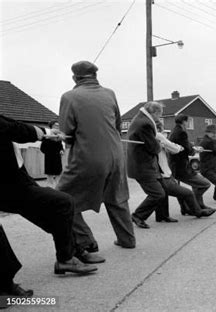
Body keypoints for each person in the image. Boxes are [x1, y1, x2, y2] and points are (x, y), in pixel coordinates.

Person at [0, 115, 97, 285]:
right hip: (8, 184)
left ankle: (71, 253)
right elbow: (11, 128)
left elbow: (10, 124)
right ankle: (66, 257)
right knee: (62, 203)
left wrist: (47, 133)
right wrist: (45, 133)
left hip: (16, 179)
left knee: (54, 215)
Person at [57, 61, 135, 264]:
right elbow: (117, 124)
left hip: (89, 156)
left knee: (61, 199)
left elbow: (66, 131)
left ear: (75, 78)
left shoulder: (69, 97)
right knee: (117, 197)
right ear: (95, 75)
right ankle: (127, 239)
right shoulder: (110, 93)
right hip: (117, 154)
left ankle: (86, 241)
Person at [169, 114, 214, 213]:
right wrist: (195, 151)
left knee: (194, 185)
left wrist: (194, 148)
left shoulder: (174, 131)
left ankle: (196, 205)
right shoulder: (181, 132)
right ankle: (194, 206)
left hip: (175, 165)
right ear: (184, 121)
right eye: (188, 121)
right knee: (205, 184)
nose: (188, 123)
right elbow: (186, 149)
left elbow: (185, 145)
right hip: (181, 166)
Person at [40, 120, 63, 187]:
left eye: (58, 125)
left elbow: (60, 146)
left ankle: (58, 186)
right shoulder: (47, 135)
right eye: (55, 125)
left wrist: (61, 150)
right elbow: (42, 148)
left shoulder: (59, 136)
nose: (57, 126)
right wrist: (48, 152)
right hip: (49, 157)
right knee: (49, 173)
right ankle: (50, 186)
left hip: (57, 157)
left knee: (58, 172)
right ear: (51, 126)